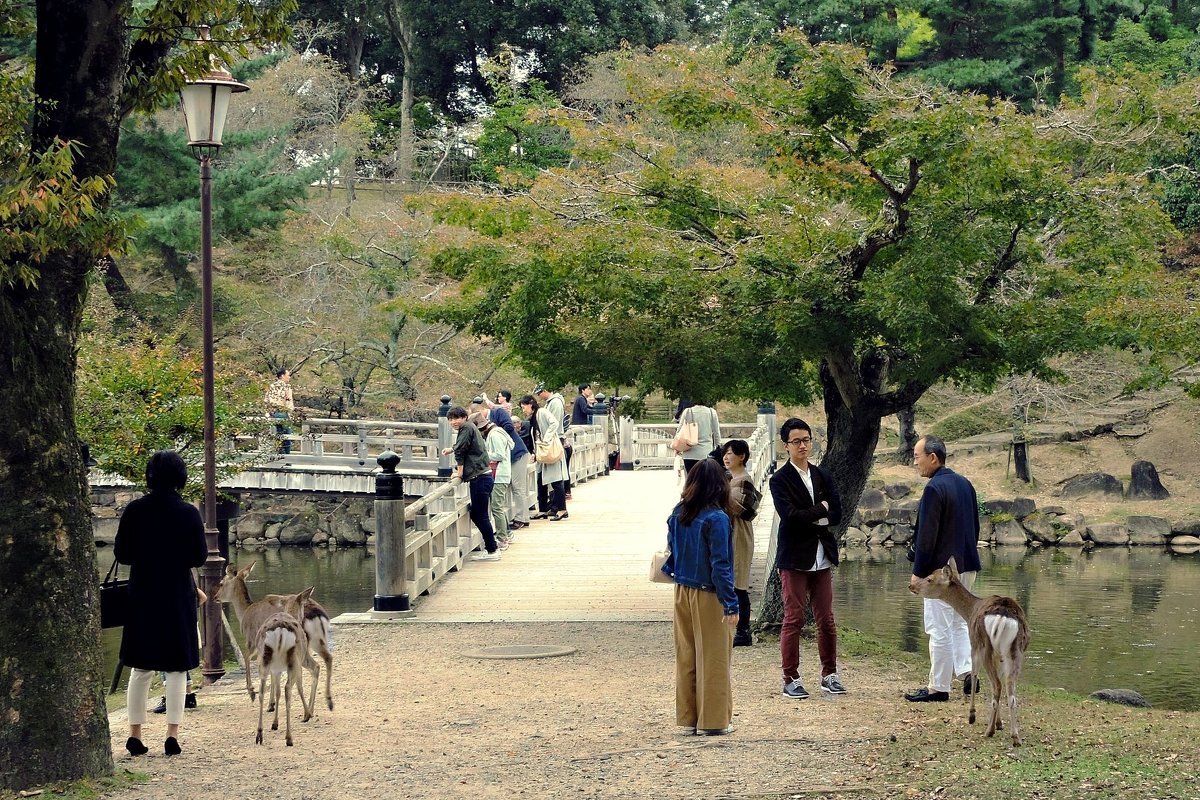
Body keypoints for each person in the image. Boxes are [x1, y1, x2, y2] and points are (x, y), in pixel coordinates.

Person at [115, 450, 208, 757]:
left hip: (142, 593)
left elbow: (123, 555)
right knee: (177, 668)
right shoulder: (188, 513)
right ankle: (172, 735)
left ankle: (136, 734)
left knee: (140, 668)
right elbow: (198, 557)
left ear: (150, 476)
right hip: (176, 594)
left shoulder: (135, 511)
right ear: (180, 477)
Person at [769, 417, 846, 699]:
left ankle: (830, 673)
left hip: (822, 555)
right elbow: (790, 517)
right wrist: (820, 509)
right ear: (786, 445)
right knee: (794, 618)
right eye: (796, 441)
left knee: (826, 618)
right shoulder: (779, 480)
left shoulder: (822, 475)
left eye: (807, 440)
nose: (803, 445)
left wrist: (817, 515)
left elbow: (836, 512)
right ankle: (791, 677)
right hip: (794, 557)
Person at [661, 459, 739, 736]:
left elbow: (672, 550)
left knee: (687, 656)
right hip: (709, 594)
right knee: (714, 658)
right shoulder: (717, 518)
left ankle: (688, 718)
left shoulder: (678, 512)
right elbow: (721, 564)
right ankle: (714, 720)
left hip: (682, 591)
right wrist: (731, 602)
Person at [905, 434, 983, 702]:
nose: (915, 462)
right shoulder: (965, 484)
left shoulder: (933, 489)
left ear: (933, 458)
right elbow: (976, 526)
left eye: (917, 456)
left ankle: (938, 688)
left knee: (938, 627)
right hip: (967, 563)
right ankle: (967, 671)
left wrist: (918, 572)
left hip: (941, 574)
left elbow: (926, 537)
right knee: (960, 622)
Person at [440, 406, 501, 561]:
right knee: (478, 514)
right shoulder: (469, 427)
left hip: (480, 478)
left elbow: (461, 450)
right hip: (483, 476)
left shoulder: (466, 428)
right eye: (450, 419)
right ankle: (492, 546)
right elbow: (463, 446)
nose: (453, 422)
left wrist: (459, 473)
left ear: (464, 417)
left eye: (456, 418)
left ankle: (492, 550)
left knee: (479, 515)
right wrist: (451, 449)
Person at [722, 440, 760, 647]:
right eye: (725, 454)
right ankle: (734, 629)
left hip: (740, 535)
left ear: (742, 456)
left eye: (731, 454)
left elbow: (741, 510)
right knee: (731, 581)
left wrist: (719, 491)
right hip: (729, 534)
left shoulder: (744, 480)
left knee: (739, 584)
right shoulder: (730, 479)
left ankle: (743, 631)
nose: (726, 457)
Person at [479, 398, 531, 531]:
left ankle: (521, 518)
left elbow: (509, 426)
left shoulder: (498, 413)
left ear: (482, 410)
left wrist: (496, 432)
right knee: (515, 486)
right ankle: (521, 517)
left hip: (517, 453)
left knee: (518, 487)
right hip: (509, 456)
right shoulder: (486, 426)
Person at [472, 408, 514, 549]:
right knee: (499, 507)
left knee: (496, 507)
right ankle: (507, 533)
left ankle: (502, 538)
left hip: (500, 475)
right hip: (500, 474)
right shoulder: (496, 432)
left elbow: (499, 455)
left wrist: (483, 455)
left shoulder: (494, 435)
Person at [522, 393, 568, 520]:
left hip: (550, 450)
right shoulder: (533, 417)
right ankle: (543, 509)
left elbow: (554, 423)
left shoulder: (542, 412)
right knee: (540, 480)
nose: (523, 410)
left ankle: (562, 509)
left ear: (530, 405)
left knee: (556, 481)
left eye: (523, 407)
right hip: (542, 453)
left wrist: (546, 439)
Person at [536, 383, 572, 499]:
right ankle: (554, 502)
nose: (539, 396)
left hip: (555, 440)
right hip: (554, 439)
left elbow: (554, 423)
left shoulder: (555, 402)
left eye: (539, 393)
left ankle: (558, 503)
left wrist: (546, 440)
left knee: (556, 475)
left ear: (545, 390)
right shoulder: (551, 402)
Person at [675, 399, 721, 474]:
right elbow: (716, 433)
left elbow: (679, 431)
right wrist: (718, 448)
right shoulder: (712, 412)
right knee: (705, 481)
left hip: (689, 452)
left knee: (691, 481)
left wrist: (677, 447)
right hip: (706, 453)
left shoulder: (688, 411)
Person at [264, 368, 295, 455]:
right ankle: (287, 458)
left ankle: (278, 456)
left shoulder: (272, 386)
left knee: (277, 436)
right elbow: (289, 401)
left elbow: (266, 400)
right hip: (283, 412)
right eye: (288, 375)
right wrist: (290, 414)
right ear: (282, 376)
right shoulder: (286, 387)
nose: (289, 377)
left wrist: (267, 412)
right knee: (286, 437)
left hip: (273, 413)